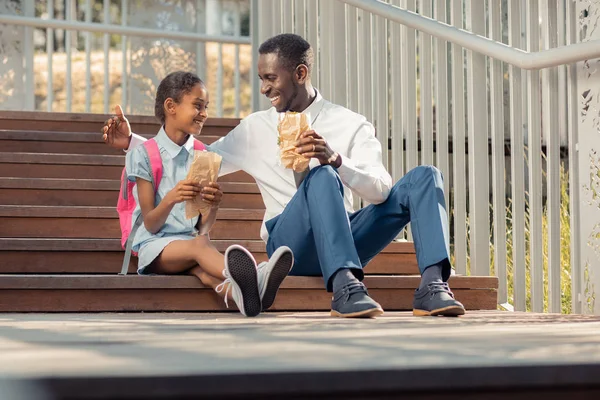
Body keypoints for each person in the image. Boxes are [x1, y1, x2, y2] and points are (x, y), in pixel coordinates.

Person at [103, 34, 465, 318]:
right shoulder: (255, 128)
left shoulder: (351, 123)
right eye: (262, 79)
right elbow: (198, 158)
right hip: (291, 245)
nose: (264, 88)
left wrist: (336, 158)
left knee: (424, 176)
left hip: (347, 236)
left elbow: (382, 191)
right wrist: (135, 142)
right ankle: (345, 288)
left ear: (300, 74)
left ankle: (433, 286)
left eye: (271, 78)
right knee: (320, 177)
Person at [123, 71, 293, 317]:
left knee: (203, 272)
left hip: (190, 244)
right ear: (171, 106)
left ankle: (242, 298)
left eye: (206, 107)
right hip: (155, 247)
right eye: (197, 106)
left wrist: (213, 205)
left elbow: (202, 227)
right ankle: (259, 275)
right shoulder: (143, 155)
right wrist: (172, 197)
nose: (204, 113)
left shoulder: (203, 154)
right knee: (200, 247)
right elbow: (150, 223)